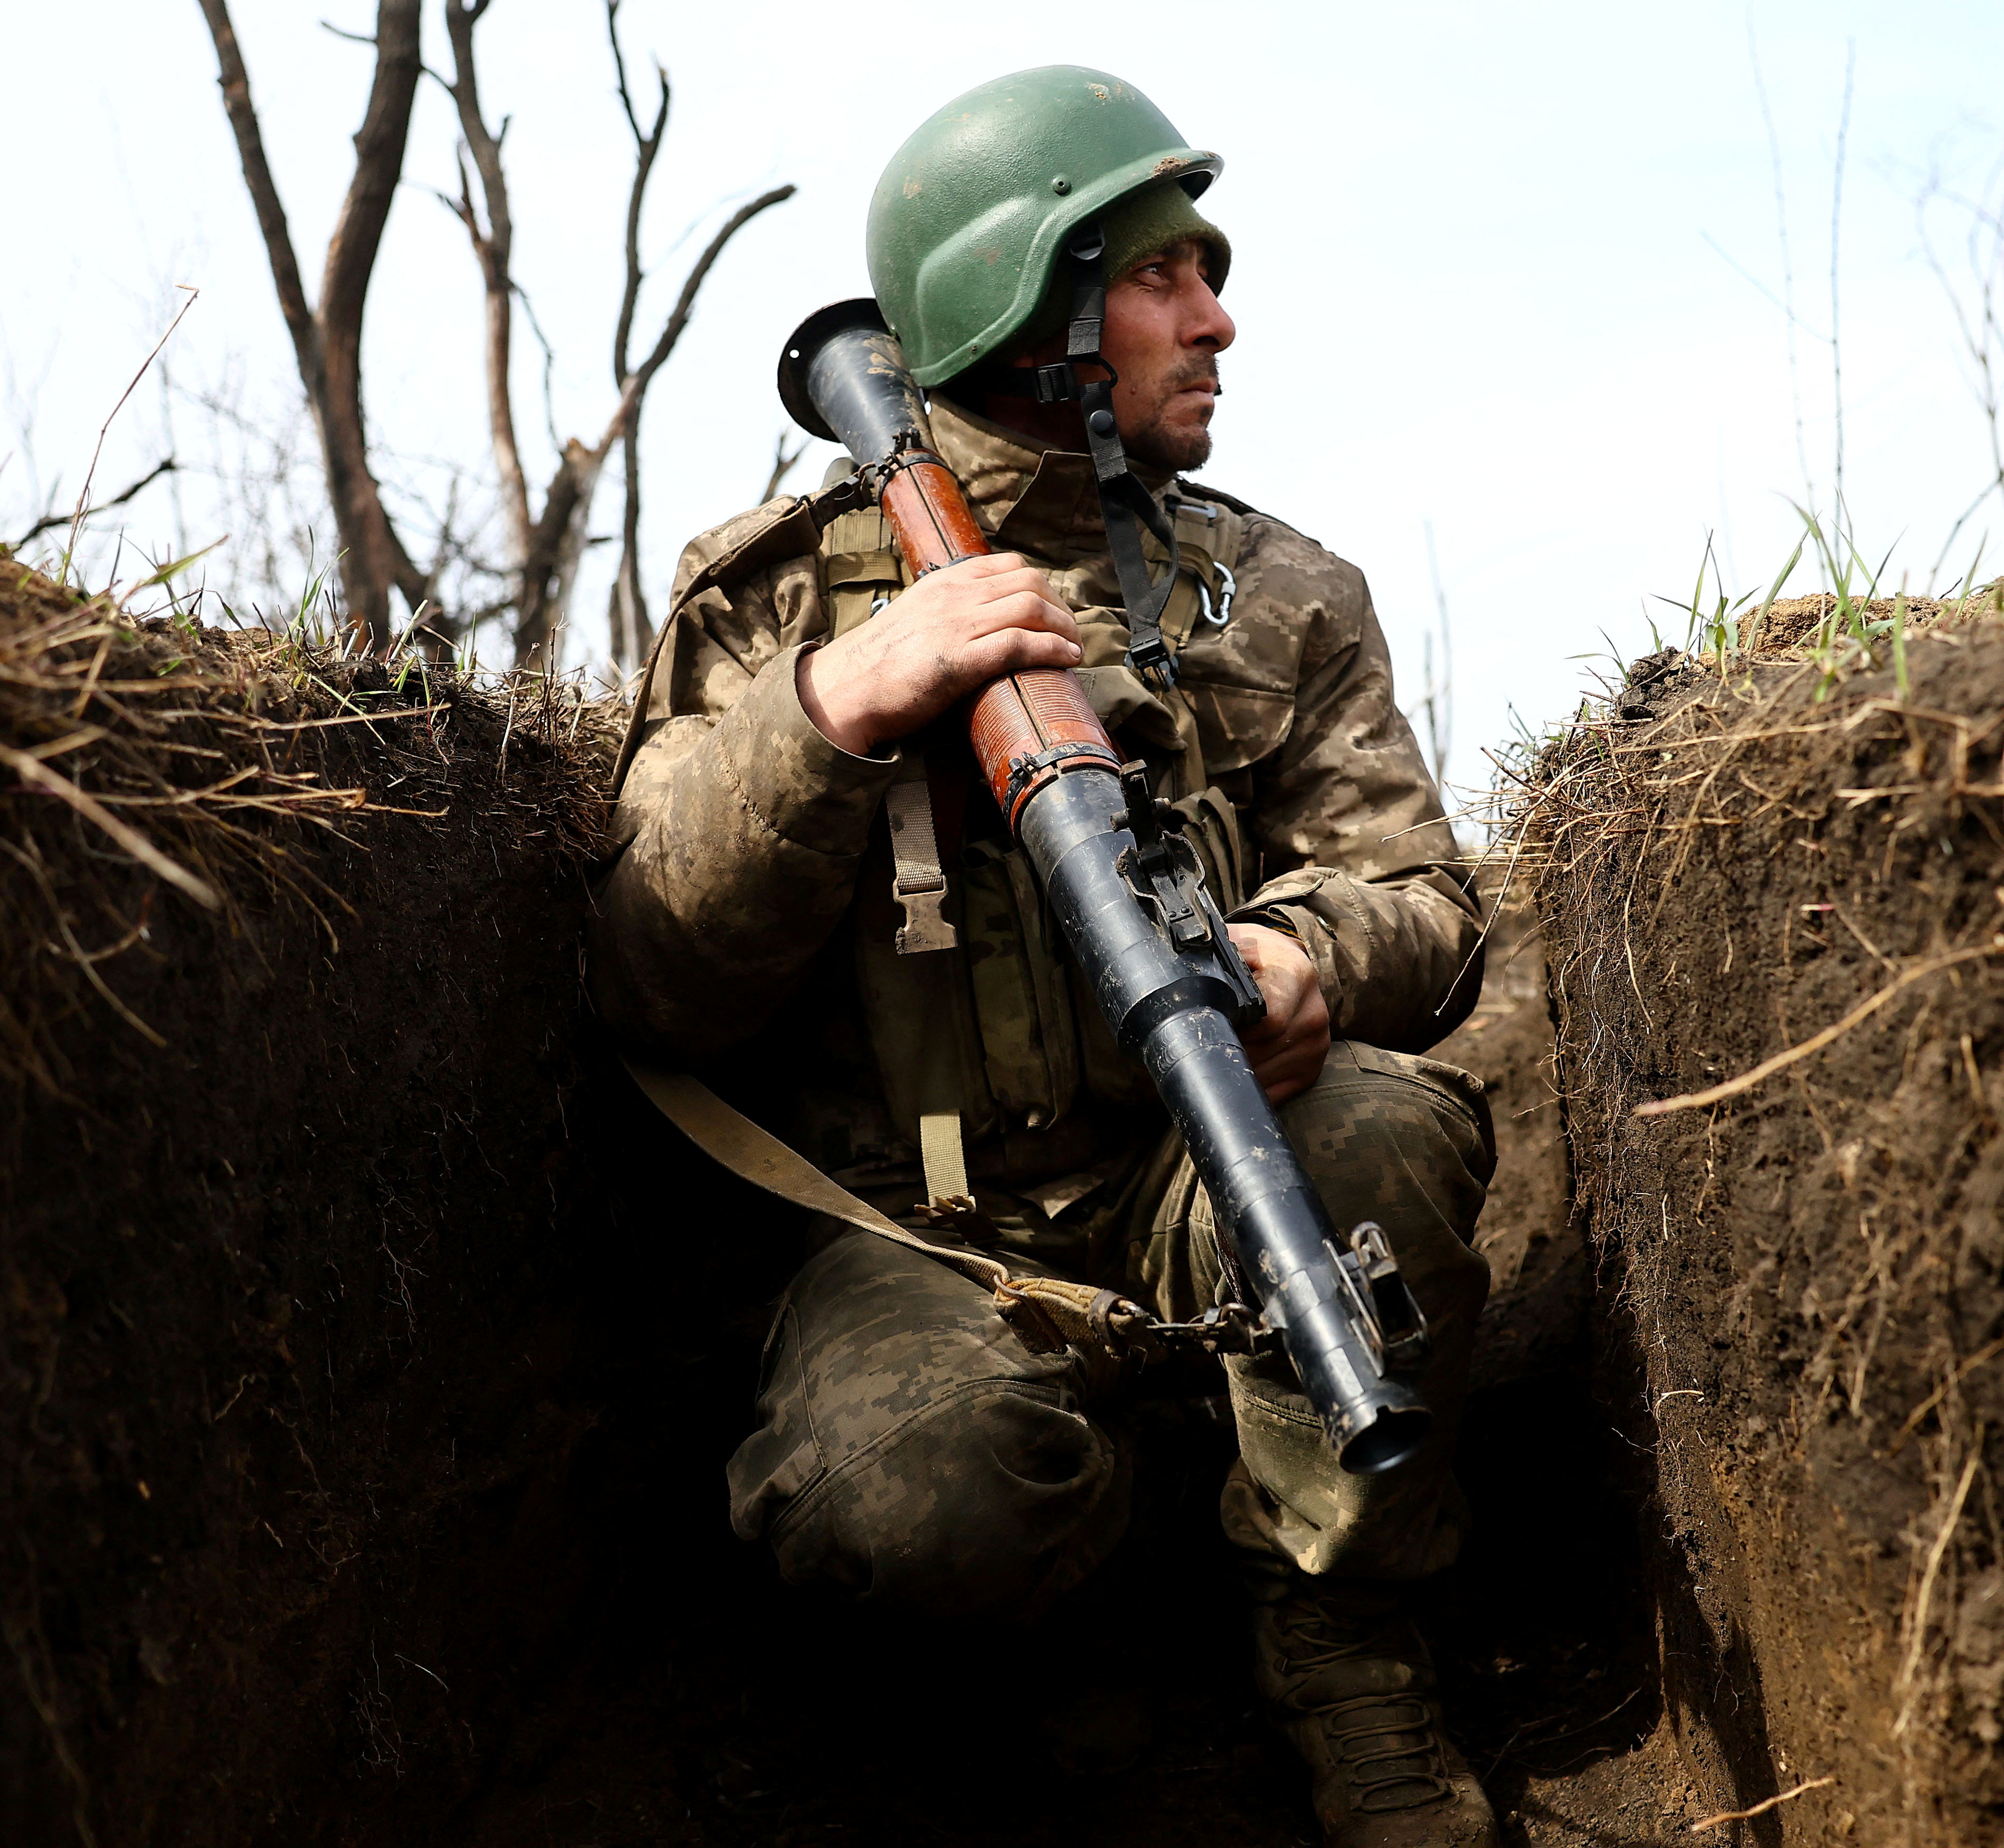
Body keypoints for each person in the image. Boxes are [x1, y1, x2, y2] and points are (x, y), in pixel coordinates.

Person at [590, 65, 1497, 1848]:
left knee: (1384, 1134)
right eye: (1162, 275)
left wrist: (1312, 955)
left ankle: (1341, 1627)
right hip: (903, 1231)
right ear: (1026, 301)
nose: (1216, 317)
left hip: (1192, 1170)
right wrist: (835, 710)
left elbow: (1425, 896)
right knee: (902, 1498)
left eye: (1205, 273)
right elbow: (649, 979)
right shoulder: (770, 597)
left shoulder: (1277, 593)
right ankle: (1072, 1632)